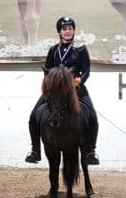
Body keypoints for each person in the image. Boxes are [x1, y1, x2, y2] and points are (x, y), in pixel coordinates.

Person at [24, 16, 99, 165]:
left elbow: (86, 71)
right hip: (55, 92)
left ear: (73, 31)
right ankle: (35, 150)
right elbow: (48, 71)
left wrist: (77, 82)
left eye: (70, 28)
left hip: (76, 89)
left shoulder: (81, 49)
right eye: (64, 29)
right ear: (59, 32)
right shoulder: (53, 50)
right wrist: (52, 85)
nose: (67, 31)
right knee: (33, 116)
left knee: (92, 117)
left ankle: (91, 151)